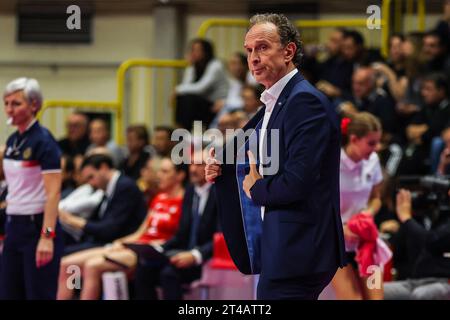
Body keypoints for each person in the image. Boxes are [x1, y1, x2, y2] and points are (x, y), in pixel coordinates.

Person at [205, 13, 346, 300]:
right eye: (249, 51)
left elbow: (298, 181)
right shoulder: (276, 99)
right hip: (286, 247)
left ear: (289, 51)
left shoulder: (304, 102)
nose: (254, 57)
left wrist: (256, 189)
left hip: (301, 251)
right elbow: (243, 149)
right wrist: (219, 161)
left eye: (263, 47)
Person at [57, 157, 185, 300]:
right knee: (66, 264)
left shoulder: (185, 200)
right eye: (160, 171)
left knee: (92, 266)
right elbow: (141, 232)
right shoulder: (159, 198)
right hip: (135, 245)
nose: (159, 175)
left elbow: (180, 235)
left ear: (180, 175)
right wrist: (121, 242)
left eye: (165, 171)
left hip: (150, 251)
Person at [0, 77, 63, 299]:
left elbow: (53, 193)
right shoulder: (13, 141)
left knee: (38, 294)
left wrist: (47, 236)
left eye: (16, 103)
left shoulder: (44, 142)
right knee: (8, 293)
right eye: (6, 103)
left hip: (36, 227)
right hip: (13, 226)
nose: (9, 109)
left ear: (34, 105)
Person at [134, 149, 218, 300]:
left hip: (206, 256)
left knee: (169, 273)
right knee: (144, 268)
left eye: (200, 164)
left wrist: (195, 255)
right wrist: (160, 248)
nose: (193, 169)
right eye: (192, 164)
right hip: (184, 251)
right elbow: (181, 234)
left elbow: (221, 236)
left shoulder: (220, 193)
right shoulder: (190, 191)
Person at [331, 112, 386, 300]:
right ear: (354, 139)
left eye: (378, 142)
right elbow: (317, 207)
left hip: (366, 242)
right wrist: (342, 228)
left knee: (377, 298)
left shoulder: (373, 161)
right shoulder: (331, 164)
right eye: (371, 143)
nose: (376, 148)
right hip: (336, 245)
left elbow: (376, 197)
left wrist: (368, 214)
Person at [59, 154, 147, 255]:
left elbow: (109, 229)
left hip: (118, 243)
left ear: (104, 167)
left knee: (62, 253)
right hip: (102, 240)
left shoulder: (125, 187)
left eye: (91, 177)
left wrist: (72, 220)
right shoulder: (107, 188)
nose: (91, 183)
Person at [384, 189, 450, 300]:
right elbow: (400, 251)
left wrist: (407, 219)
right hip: (416, 280)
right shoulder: (439, 215)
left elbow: (432, 241)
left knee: (421, 295)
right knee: (375, 291)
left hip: (444, 282)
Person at [174, 38, 229, 130]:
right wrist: (190, 65)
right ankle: (181, 129)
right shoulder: (194, 66)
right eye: (192, 50)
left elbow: (201, 88)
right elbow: (186, 85)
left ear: (206, 52)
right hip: (203, 103)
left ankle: (183, 131)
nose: (194, 53)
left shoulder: (215, 65)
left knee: (187, 99)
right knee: (183, 98)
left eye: (197, 50)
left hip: (217, 104)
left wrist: (177, 89)